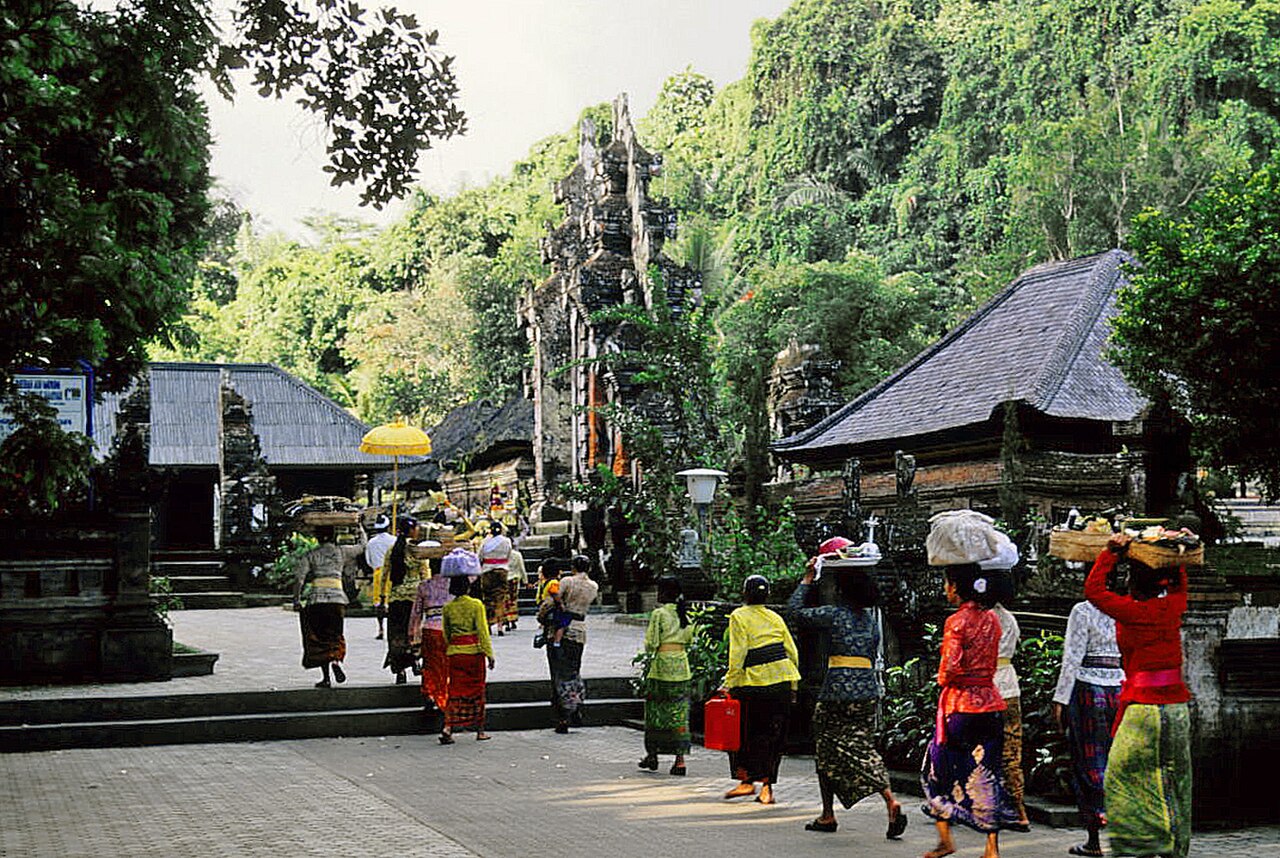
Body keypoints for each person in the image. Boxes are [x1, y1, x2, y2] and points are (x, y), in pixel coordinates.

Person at [1085, 534, 1191, 858]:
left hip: (1144, 709)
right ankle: (1173, 846)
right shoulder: (1172, 605)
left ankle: (1142, 843)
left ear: (1134, 581)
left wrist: (1110, 553)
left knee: (1121, 776)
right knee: (1175, 779)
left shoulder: (1133, 611)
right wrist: (1177, 556)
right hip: (1177, 710)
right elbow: (1179, 585)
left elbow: (1094, 591)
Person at [788, 558, 906, 838]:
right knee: (864, 747)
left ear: (843, 592)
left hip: (837, 691)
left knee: (826, 751)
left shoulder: (835, 614)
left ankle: (828, 814)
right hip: (867, 691)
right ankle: (889, 798)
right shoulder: (870, 621)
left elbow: (795, 612)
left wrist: (807, 580)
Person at [922, 564, 1019, 858]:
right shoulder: (993, 619)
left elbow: (948, 668)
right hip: (991, 703)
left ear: (955, 587)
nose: (945, 590)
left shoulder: (956, 621)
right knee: (988, 774)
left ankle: (945, 839)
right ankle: (992, 847)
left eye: (947, 584)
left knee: (936, 772)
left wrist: (943, 679)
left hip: (960, 707)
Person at [719, 574, 800, 806]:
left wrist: (729, 683)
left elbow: (738, 653)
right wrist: (793, 685)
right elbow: (791, 651)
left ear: (744, 593)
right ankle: (767, 788)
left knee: (746, 734)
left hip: (752, 684)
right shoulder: (775, 617)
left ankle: (746, 781)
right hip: (782, 680)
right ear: (768, 595)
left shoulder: (738, 616)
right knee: (773, 737)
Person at [1052, 597, 1124, 858]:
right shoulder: (1124, 607)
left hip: (1087, 687)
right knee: (1118, 761)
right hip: (1119, 686)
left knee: (1088, 761)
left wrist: (1060, 698)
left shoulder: (1082, 611)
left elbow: (1072, 656)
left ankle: (1094, 836)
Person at [638, 576, 697, 776]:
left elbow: (651, 643)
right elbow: (690, 638)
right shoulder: (685, 614)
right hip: (682, 666)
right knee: (679, 714)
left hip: (662, 667)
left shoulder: (659, 613)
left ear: (663, 593)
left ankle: (652, 754)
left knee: (656, 713)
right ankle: (679, 760)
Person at [292, 525, 365, 688]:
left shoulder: (311, 554)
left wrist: (296, 599)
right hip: (337, 599)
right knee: (335, 634)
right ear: (334, 536)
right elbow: (362, 546)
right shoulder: (342, 552)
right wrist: (358, 528)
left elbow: (299, 579)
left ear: (317, 538)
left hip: (316, 599)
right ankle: (336, 661)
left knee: (320, 638)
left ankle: (325, 678)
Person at [990, 588, 1031, 831]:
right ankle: (1019, 809)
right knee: (1012, 750)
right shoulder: (1010, 618)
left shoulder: (980, 619)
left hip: (985, 687)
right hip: (1010, 685)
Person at [545, 554, 599, 733]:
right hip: (579, 630)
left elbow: (551, 602)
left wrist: (542, 617)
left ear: (573, 567)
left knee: (558, 673)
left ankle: (562, 717)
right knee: (574, 670)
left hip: (561, 628)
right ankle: (575, 708)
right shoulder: (593, 586)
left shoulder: (567, 581)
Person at [439, 575, 494, 743]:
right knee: (477, 690)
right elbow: (483, 631)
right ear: (468, 588)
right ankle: (479, 730)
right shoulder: (476, 605)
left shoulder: (448, 608)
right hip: (474, 653)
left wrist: (452, 647)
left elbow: (446, 633)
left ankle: (448, 726)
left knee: (455, 690)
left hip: (455, 653)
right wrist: (489, 653)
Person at [381, 517, 426, 685]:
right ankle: (414, 661)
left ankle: (400, 671)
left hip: (395, 598)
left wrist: (382, 598)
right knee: (413, 632)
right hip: (414, 598)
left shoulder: (393, 549)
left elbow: (385, 574)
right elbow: (424, 575)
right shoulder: (417, 550)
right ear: (411, 530)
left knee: (396, 635)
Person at [409, 559, 454, 714]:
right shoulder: (451, 585)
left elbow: (416, 613)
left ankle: (429, 693)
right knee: (445, 666)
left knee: (430, 665)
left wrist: (413, 635)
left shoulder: (424, 586)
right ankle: (442, 696)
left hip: (429, 629)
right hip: (448, 630)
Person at [478, 520, 512, 636]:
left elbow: (480, 556)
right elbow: (508, 554)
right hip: (502, 570)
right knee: (500, 599)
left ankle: (488, 624)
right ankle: (500, 626)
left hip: (487, 570)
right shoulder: (506, 541)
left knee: (487, 599)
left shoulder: (485, 542)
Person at [365, 514, 395, 640]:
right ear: (388, 527)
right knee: (392, 601)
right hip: (392, 574)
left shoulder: (371, 543)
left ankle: (381, 628)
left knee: (379, 603)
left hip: (378, 572)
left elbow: (369, 561)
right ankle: (392, 628)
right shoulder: (394, 540)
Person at [503, 546, 527, 633]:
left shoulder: (502, 555)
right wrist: (525, 580)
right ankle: (512, 619)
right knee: (513, 600)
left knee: (505, 600)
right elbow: (522, 568)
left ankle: (506, 621)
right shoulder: (517, 555)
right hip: (514, 579)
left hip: (504, 578)